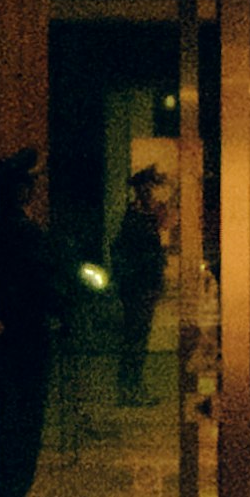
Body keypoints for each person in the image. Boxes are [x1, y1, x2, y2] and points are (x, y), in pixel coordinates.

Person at [0, 146, 58, 497]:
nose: (35, 189)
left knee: (12, 423)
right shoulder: (20, 232)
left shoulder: (3, 228)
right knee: (23, 425)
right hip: (25, 339)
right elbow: (38, 285)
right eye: (30, 183)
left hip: (11, 338)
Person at [113, 159, 170, 404]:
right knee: (135, 340)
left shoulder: (139, 216)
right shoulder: (137, 219)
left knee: (137, 340)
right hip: (139, 289)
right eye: (148, 187)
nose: (151, 192)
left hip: (142, 287)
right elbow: (142, 255)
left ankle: (131, 387)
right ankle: (130, 388)